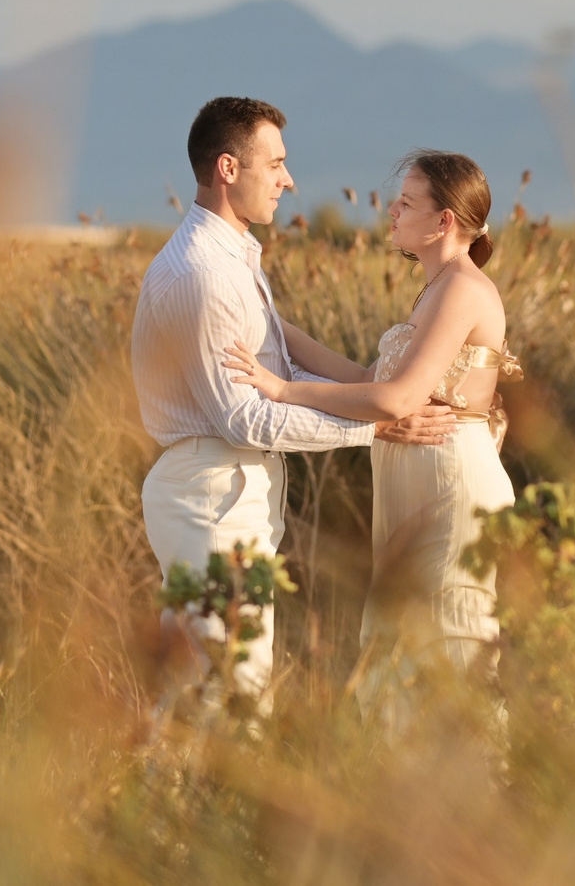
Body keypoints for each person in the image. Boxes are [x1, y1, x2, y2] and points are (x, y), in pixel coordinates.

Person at [131, 97, 457, 705]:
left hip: (224, 492)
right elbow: (246, 417)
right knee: (227, 698)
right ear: (229, 169)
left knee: (204, 697)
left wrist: (371, 392)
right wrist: (376, 429)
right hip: (211, 495)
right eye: (275, 163)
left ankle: (171, 797)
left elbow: (280, 351)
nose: (289, 179)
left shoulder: (232, 259)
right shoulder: (201, 273)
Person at [222, 149, 519, 708]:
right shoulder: (437, 287)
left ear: (444, 221)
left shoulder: (462, 288)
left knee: (447, 643)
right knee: (406, 645)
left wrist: (282, 389)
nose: (391, 210)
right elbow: (365, 379)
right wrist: (270, 323)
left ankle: (471, 786)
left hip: (451, 484)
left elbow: (398, 398)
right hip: (421, 481)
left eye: (406, 202)